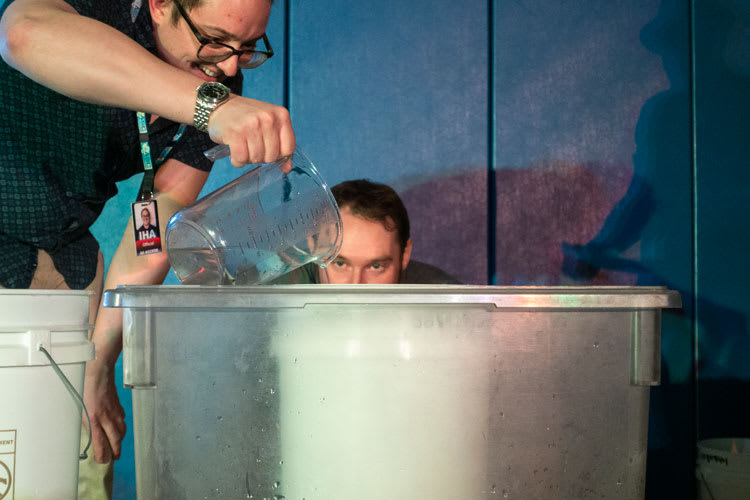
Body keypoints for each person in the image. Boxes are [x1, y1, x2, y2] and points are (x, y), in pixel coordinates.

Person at [0, 0, 294, 497]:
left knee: (74, 464)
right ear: (160, 5)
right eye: (215, 38)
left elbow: (151, 230)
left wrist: (100, 360)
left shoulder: (221, 86)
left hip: (64, 269)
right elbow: (22, 34)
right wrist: (210, 106)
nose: (226, 66)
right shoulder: (96, 8)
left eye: (246, 49)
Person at [285, 179, 460, 285]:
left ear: (405, 255)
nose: (356, 286)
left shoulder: (444, 305)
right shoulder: (274, 300)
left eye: (376, 267)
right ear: (313, 247)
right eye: (339, 263)